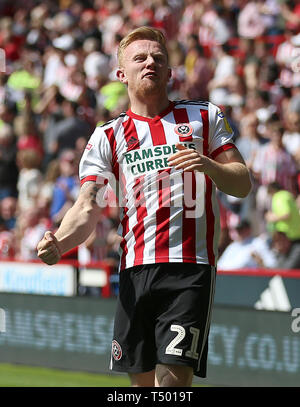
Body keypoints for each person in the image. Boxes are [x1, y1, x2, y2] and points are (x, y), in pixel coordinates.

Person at [37, 27, 251, 387]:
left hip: (189, 268)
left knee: (171, 384)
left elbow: (242, 181)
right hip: (135, 271)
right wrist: (60, 241)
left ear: (170, 72)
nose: (150, 62)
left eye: (158, 57)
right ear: (121, 74)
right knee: (140, 386)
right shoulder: (108, 135)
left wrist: (209, 165)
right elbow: (88, 206)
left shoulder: (203, 116)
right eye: (140, 57)